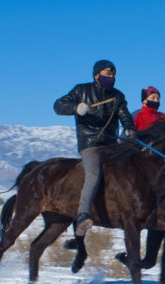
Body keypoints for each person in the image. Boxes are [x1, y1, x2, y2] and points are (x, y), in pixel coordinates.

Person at [53, 59, 135, 239]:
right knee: (94, 174)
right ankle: (83, 215)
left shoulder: (118, 96)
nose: (111, 77)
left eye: (113, 74)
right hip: (90, 144)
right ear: (96, 75)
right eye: (107, 73)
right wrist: (76, 107)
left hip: (112, 145)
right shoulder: (81, 90)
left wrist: (129, 128)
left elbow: (125, 115)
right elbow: (58, 105)